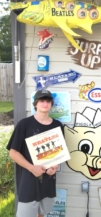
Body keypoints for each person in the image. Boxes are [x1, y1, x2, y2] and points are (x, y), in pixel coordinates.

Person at [6, 89, 64, 217]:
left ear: (51, 103)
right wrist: (32, 168)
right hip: (28, 180)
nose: (45, 103)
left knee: (42, 213)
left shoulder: (58, 126)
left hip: (48, 180)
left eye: (48, 100)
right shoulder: (24, 124)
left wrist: (54, 166)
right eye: (42, 100)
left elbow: (58, 153)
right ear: (35, 104)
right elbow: (13, 153)